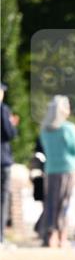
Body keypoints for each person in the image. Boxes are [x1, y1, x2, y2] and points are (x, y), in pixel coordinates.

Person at [39, 95, 75, 248]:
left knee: (51, 203)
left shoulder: (44, 129)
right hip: (68, 170)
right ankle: (62, 238)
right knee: (65, 204)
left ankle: (49, 236)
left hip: (51, 169)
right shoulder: (68, 128)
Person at [1, 81, 19, 244]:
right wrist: (13, 124)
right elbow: (9, 133)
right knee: (2, 199)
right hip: (2, 160)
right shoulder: (3, 109)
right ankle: (0, 237)